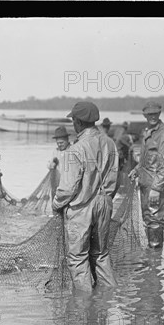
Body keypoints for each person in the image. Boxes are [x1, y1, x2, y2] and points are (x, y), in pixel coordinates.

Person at [53, 102, 118, 290]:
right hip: (105, 202)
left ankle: (84, 306)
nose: (73, 123)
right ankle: (107, 301)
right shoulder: (110, 143)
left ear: (78, 122)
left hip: (82, 207)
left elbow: (67, 189)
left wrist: (56, 204)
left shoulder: (75, 149)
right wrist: (104, 199)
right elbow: (115, 178)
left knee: (78, 258)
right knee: (101, 254)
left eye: (73, 119)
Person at [129, 101, 164, 249]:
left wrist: (156, 188)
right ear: (145, 115)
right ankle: (152, 258)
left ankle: (155, 260)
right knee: (148, 219)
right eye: (150, 114)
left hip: (156, 185)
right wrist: (137, 169)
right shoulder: (147, 131)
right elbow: (147, 158)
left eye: (155, 114)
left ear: (160, 114)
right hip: (145, 184)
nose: (153, 117)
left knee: (155, 220)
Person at [47, 126, 71, 199]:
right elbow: (48, 165)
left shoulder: (72, 150)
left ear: (67, 140)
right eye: (58, 143)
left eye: (61, 142)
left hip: (68, 185)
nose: (59, 145)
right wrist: (51, 165)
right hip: (56, 184)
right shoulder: (55, 151)